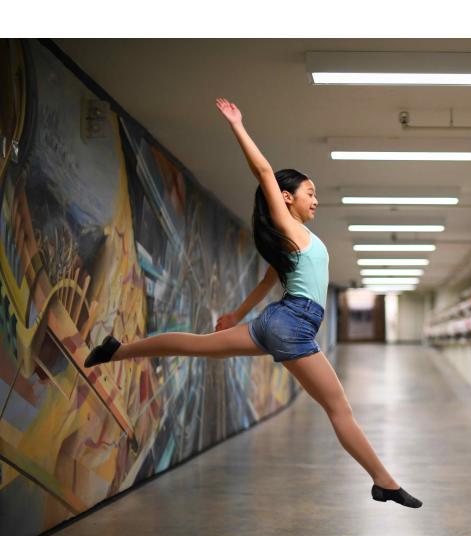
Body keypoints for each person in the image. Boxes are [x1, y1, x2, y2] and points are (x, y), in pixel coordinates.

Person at [84, 97, 422, 509]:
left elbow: (267, 281)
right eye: (309, 193)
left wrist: (236, 316)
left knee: (193, 344)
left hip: (276, 322)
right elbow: (263, 171)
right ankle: (383, 481)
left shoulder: (292, 242)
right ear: (286, 197)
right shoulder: (290, 228)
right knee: (340, 409)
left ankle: (118, 351)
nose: (315, 201)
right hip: (293, 324)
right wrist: (237, 125)